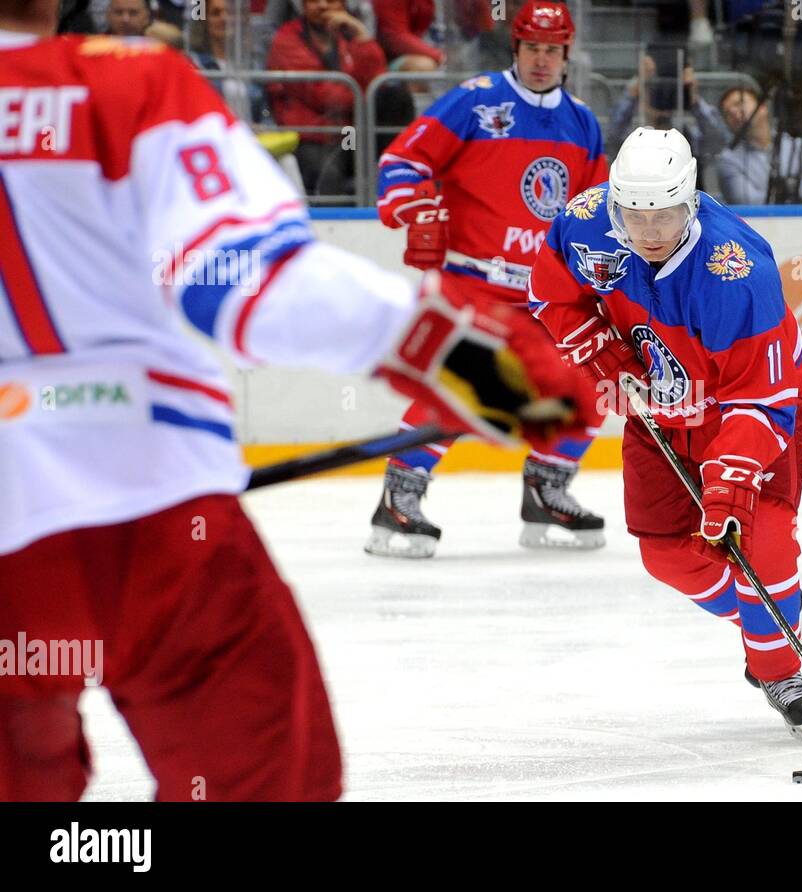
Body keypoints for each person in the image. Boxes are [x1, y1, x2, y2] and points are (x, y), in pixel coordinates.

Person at [0, 0, 584, 801]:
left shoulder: (579, 124)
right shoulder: (128, 80)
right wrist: (459, 356)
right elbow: (239, 278)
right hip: (146, 516)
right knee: (268, 783)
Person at [528, 127, 802, 741]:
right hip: (659, 413)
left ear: (690, 202)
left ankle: (777, 667)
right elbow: (550, 294)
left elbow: (761, 399)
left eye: (664, 216)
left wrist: (730, 479)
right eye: (636, 218)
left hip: (745, 415)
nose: (650, 233)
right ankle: (767, 617)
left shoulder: (734, 271)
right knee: (665, 555)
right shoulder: (585, 224)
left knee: (760, 534)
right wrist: (602, 354)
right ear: (614, 206)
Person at [368, 0, 611, 558]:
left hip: (547, 290)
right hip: (475, 280)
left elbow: (593, 213)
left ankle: (547, 493)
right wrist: (411, 207)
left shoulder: (582, 123)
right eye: (533, 49)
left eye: (552, 51)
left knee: (593, 379)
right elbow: (403, 163)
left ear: (567, 55)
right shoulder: (476, 102)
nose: (542, 61)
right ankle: (397, 500)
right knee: (469, 385)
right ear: (516, 48)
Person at [266, 0, 387, 194]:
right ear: (302, 6)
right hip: (311, 136)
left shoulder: (349, 35)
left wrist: (363, 37)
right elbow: (326, 97)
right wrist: (362, 94)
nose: (322, 6)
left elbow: (378, 81)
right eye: (313, 0)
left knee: (396, 96)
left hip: (350, 132)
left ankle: (397, 171)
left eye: (331, 0)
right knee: (328, 174)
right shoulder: (287, 39)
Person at [713, 85, 802, 205]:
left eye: (739, 103)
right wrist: (797, 185)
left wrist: (783, 189)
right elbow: (750, 203)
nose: (734, 112)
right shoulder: (728, 160)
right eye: (727, 113)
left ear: (762, 107)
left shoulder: (798, 143)